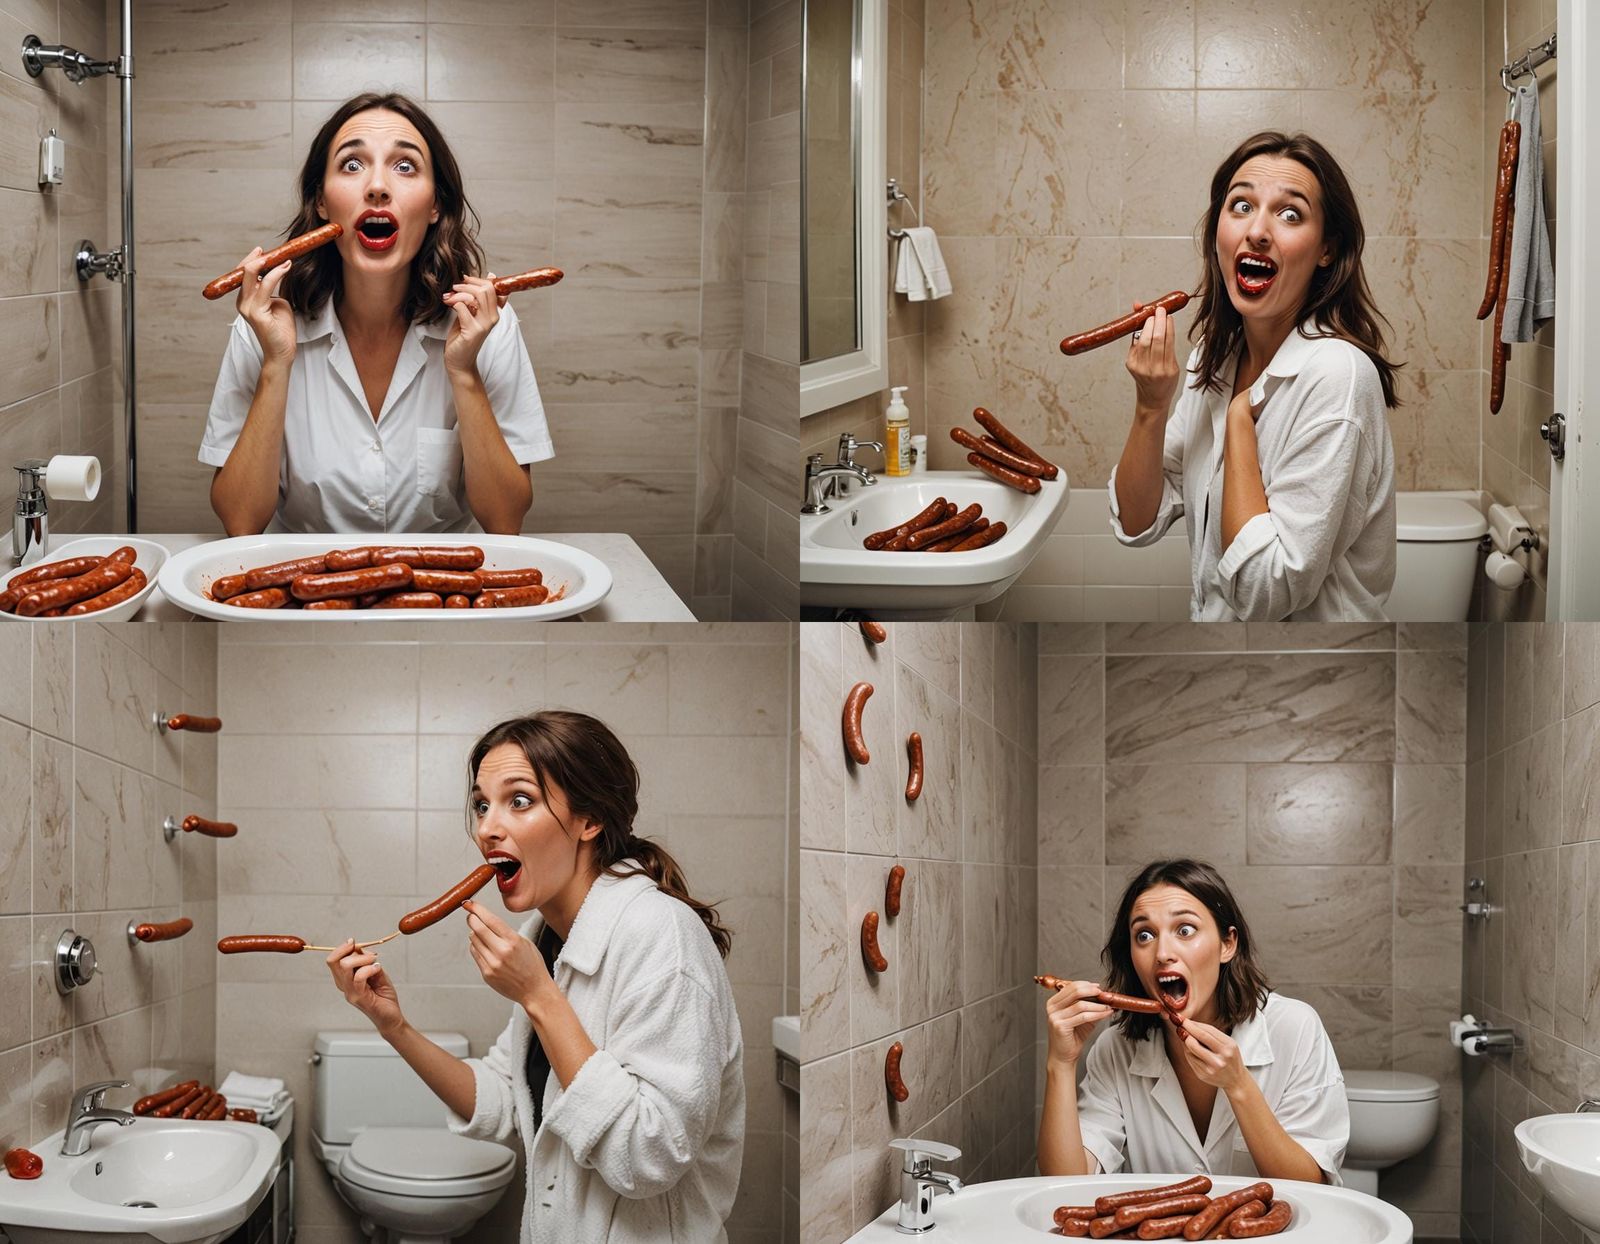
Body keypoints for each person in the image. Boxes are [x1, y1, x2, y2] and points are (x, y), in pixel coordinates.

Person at [326, 711, 744, 1243]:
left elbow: (650, 1157)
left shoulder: (663, 935)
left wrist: (538, 995)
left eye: (519, 801)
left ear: (590, 819)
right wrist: (394, 1027)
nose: (486, 829)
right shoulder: (549, 938)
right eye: (482, 805)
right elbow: (504, 1100)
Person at [202, 92, 552, 535]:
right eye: (352, 164)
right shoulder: (262, 324)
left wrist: (464, 373)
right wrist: (276, 363)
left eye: (405, 166)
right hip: (306, 577)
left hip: (441, 580)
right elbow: (239, 522)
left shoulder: (488, 325)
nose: (377, 186)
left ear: (435, 205)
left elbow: (505, 521)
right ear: (321, 202)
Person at [1109, 131, 1400, 620]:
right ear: (1217, 233)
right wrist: (1151, 406)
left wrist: (1240, 418)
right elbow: (1137, 523)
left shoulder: (1338, 376)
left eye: (1291, 214)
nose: (1258, 231)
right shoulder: (1214, 357)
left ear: (1327, 249)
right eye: (1241, 206)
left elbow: (1264, 595)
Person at [1037, 858, 1348, 1186]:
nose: (1162, 953)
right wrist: (1061, 1063)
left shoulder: (1295, 1028)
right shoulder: (1115, 1049)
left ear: (1227, 944)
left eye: (1185, 930)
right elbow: (1066, 1185)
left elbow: (1312, 1185)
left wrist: (1239, 1086)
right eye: (1144, 935)